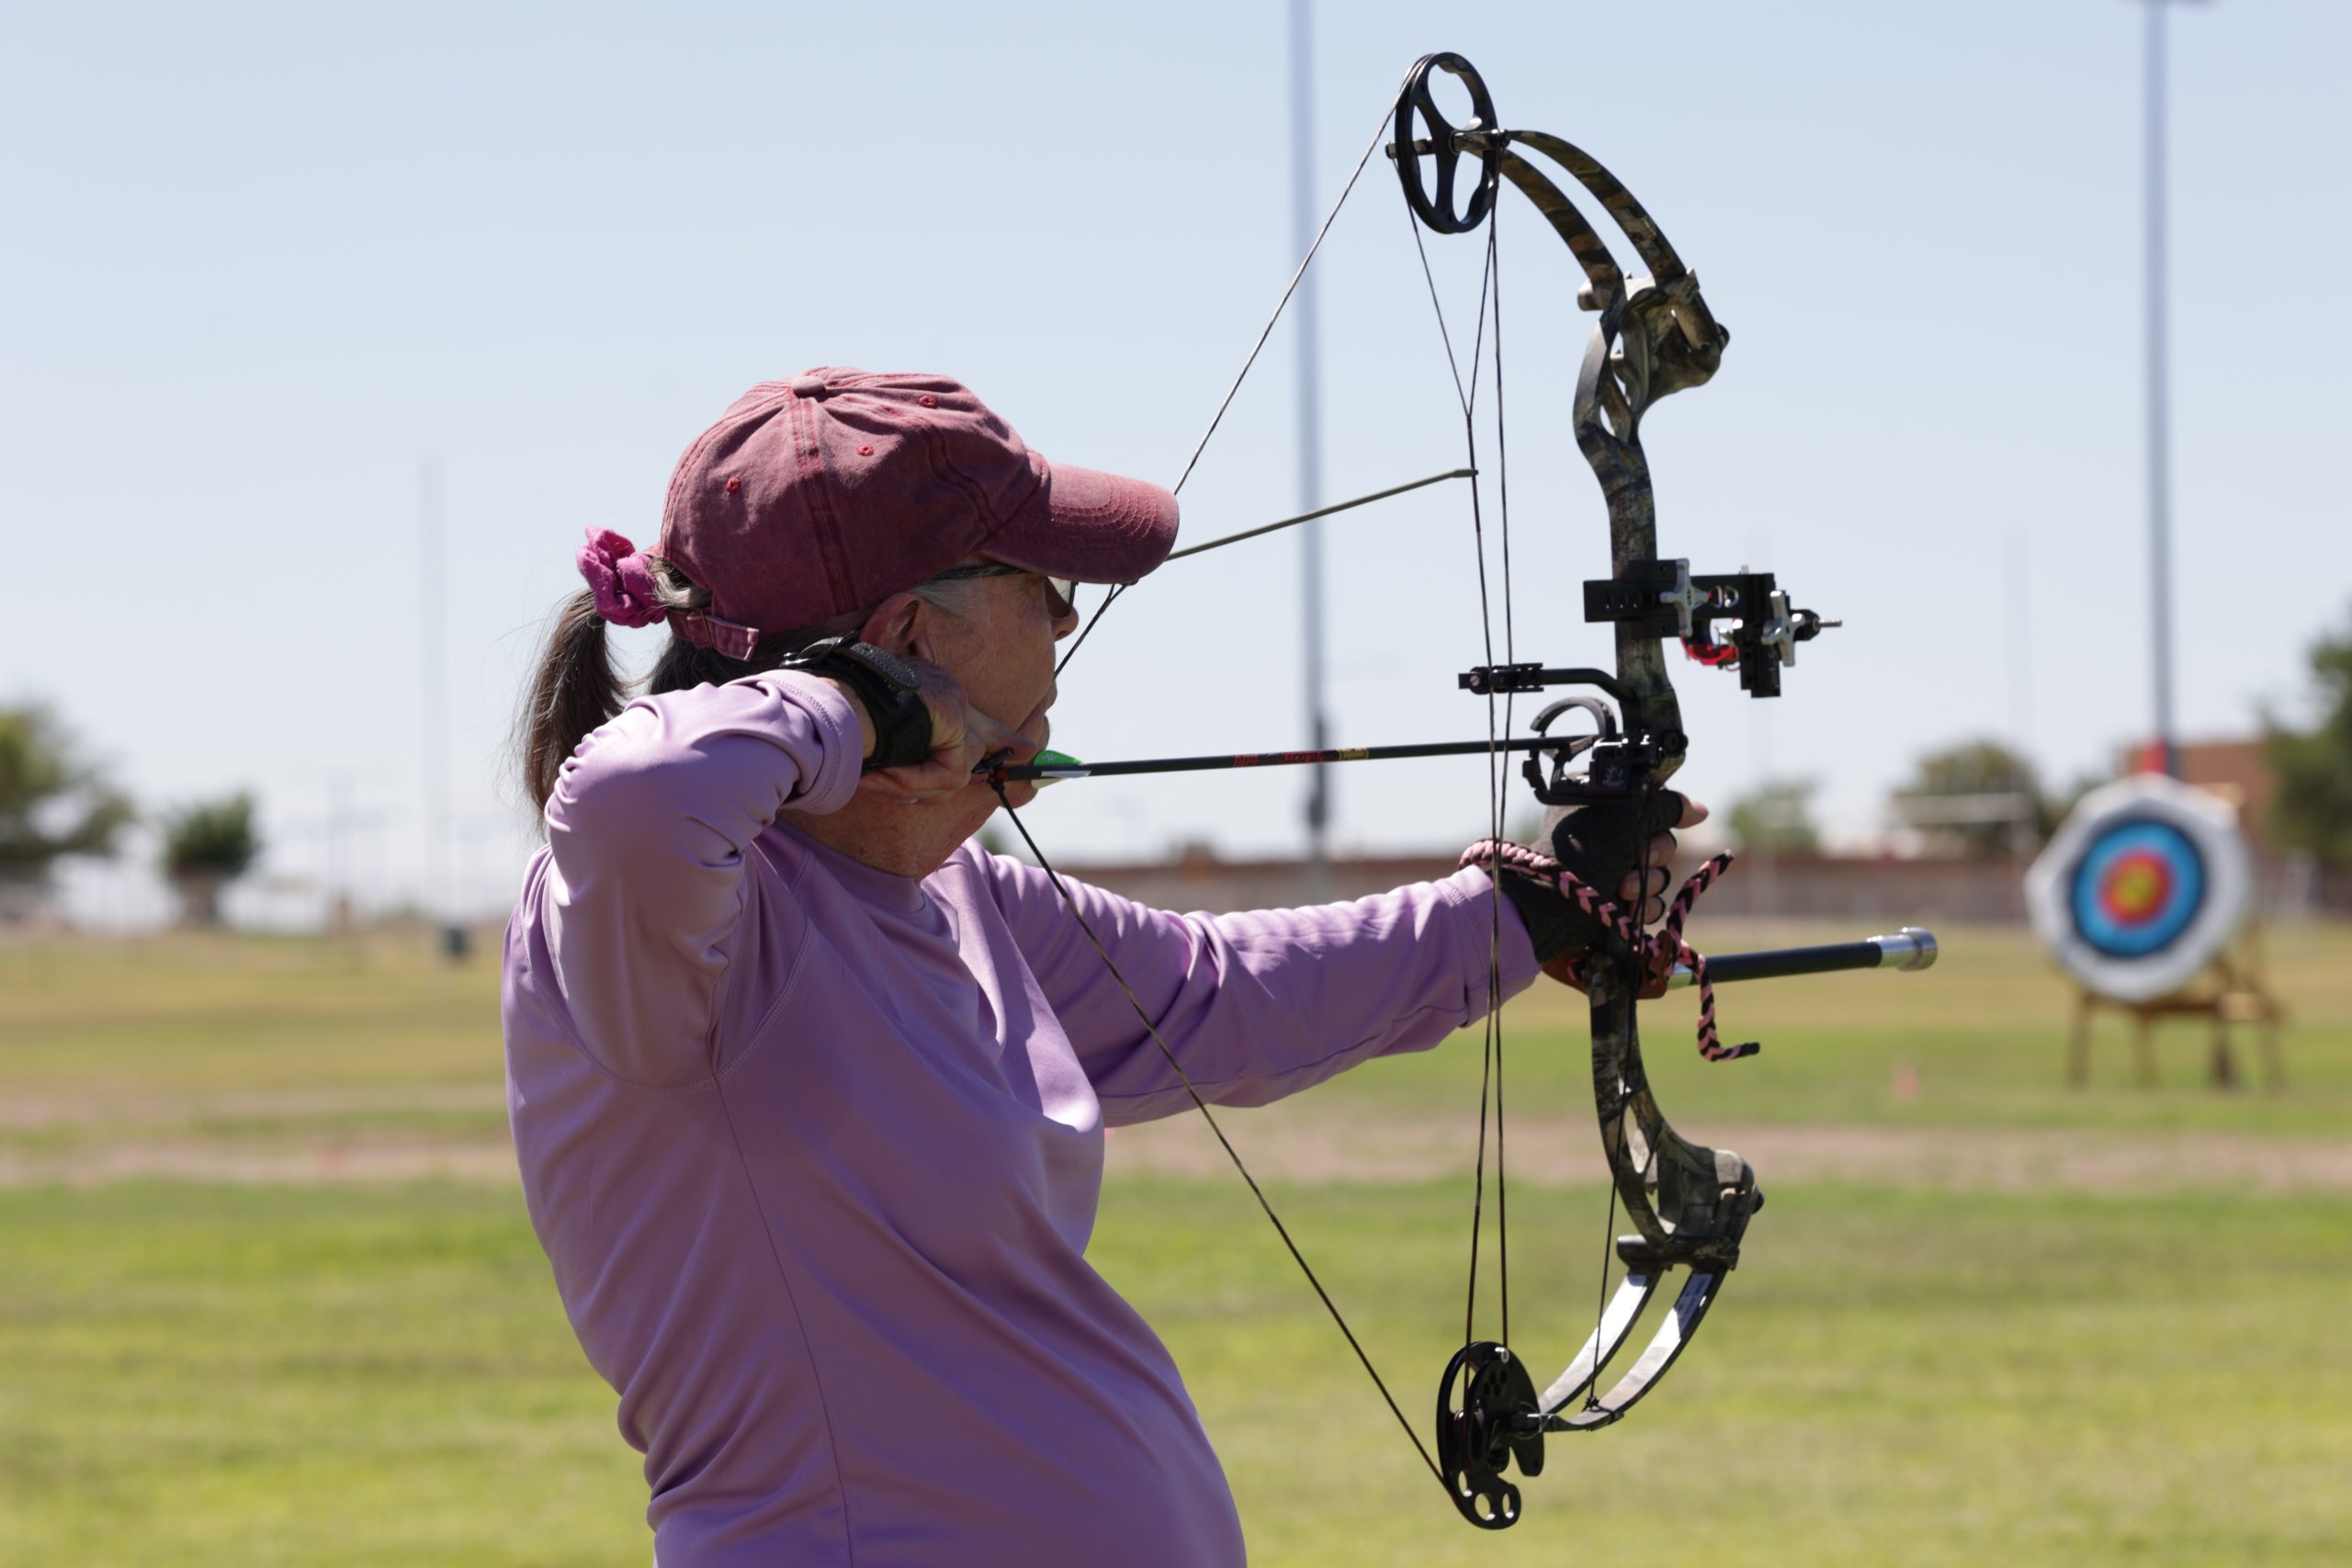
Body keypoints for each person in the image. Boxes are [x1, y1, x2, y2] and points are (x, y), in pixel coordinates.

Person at [503, 369, 1697, 1568]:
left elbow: (1229, 996)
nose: (1066, 621)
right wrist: (858, 711)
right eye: (1039, 584)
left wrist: (1531, 912)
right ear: (909, 641)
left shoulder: (955, 896)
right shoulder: (666, 938)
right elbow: (633, 796)